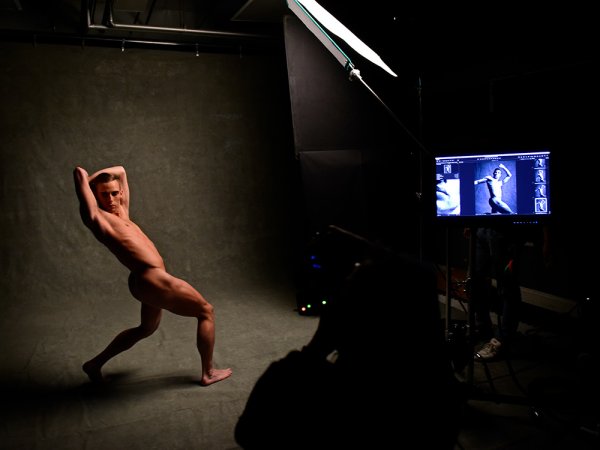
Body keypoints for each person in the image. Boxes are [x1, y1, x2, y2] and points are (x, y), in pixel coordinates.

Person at [73, 165, 232, 386]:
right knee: (206, 311)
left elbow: (121, 171)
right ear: (95, 196)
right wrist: (92, 183)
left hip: (146, 281)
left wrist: (103, 184)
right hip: (152, 279)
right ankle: (209, 373)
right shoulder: (97, 218)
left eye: (114, 193)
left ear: (120, 193)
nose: (110, 199)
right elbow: (79, 172)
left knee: (146, 328)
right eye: (104, 195)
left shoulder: (122, 213)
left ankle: (94, 364)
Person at [464, 227, 523, 360]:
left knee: (508, 287)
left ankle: (502, 340)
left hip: (506, 230)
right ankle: (483, 331)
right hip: (481, 228)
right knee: (474, 282)